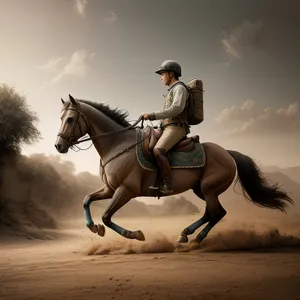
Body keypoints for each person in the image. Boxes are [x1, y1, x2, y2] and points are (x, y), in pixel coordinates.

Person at [143, 60, 190, 194]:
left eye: (162, 74)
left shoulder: (180, 88)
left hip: (176, 127)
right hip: (167, 127)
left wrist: (152, 115)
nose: (161, 77)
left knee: (158, 150)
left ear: (171, 74)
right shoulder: (171, 90)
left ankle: (167, 184)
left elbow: (176, 109)